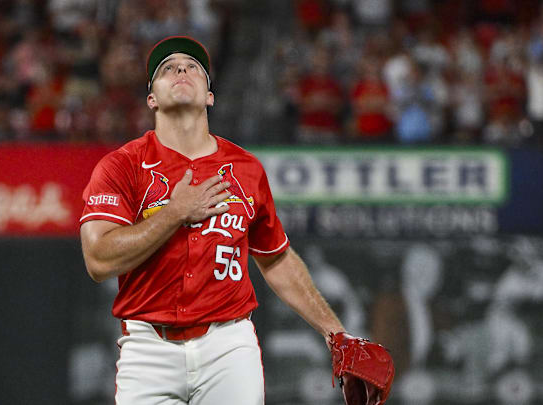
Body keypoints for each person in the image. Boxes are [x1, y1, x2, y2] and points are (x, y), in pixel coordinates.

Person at [78, 36, 345, 405]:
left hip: (228, 346)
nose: (181, 70)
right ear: (151, 99)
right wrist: (174, 211)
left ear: (210, 96)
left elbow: (276, 257)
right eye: (167, 68)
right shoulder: (121, 166)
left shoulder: (246, 169)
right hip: (148, 348)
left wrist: (336, 333)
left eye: (192, 67)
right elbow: (98, 259)